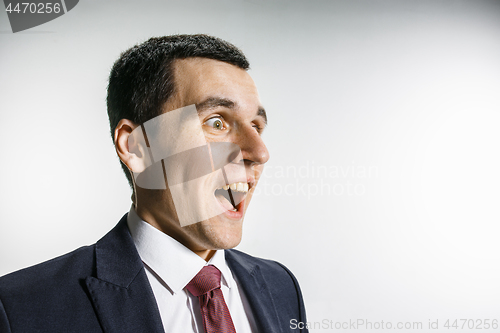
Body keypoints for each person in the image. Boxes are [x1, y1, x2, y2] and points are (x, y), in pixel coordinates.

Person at [0, 34, 308, 333]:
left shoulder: (281, 286)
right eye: (217, 122)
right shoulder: (21, 308)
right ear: (136, 147)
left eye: (257, 126)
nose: (259, 153)